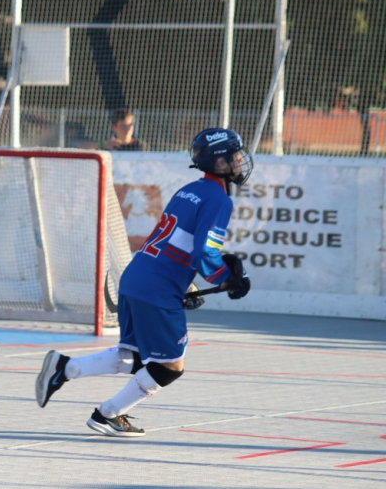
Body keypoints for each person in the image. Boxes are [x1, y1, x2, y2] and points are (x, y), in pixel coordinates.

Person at [35, 127, 253, 437]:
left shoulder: (189, 189)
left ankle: (64, 368)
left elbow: (175, 243)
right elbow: (205, 252)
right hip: (157, 288)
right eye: (234, 156)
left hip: (138, 277)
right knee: (168, 367)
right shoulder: (218, 200)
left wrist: (186, 284)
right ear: (220, 163)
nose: (240, 162)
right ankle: (106, 414)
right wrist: (226, 279)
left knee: (138, 358)